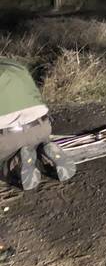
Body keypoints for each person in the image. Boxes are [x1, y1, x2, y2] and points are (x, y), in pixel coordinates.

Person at [0, 58, 76, 191]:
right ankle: (44, 155)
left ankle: (15, 164)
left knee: (3, 165)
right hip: (41, 127)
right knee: (33, 146)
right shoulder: (15, 66)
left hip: (8, 138)